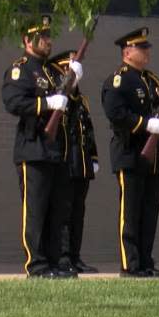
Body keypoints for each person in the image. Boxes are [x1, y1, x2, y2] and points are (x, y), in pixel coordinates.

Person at [2, 15, 77, 279]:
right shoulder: (20, 69)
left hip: (54, 150)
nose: (48, 41)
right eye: (42, 37)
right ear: (27, 40)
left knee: (56, 211)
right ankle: (37, 265)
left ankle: (55, 262)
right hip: (32, 149)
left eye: (48, 36)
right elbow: (13, 102)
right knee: (35, 211)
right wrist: (46, 105)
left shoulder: (50, 71)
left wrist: (71, 81)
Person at [101, 27, 159, 278]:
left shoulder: (152, 80)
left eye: (146, 47)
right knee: (131, 212)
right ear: (127, 52)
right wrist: (143, 124)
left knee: (149, 211)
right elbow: (116, 114)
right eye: (140, 48)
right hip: (130, 152)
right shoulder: (119, 79)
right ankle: (130, 264)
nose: (146, 52)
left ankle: (146, 261)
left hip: (153, 157)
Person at [47, 49, 99, 274]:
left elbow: (88, 130)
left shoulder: (82, 99)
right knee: (64, 213)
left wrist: (94, 158)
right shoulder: (61, 96)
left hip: (82, 162)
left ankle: (75, 256)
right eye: (70, 70)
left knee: (78, 212)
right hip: (66, 160)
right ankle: (63, 256)